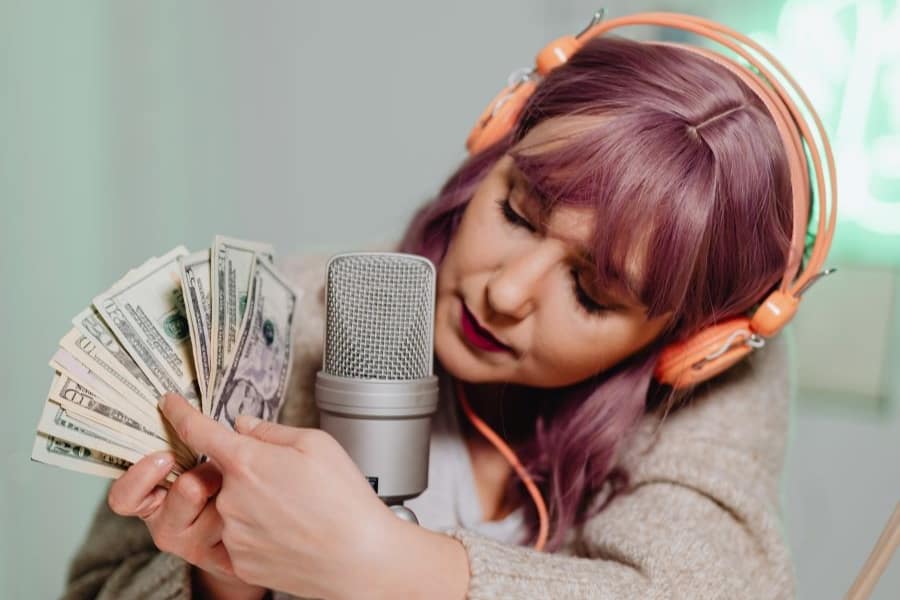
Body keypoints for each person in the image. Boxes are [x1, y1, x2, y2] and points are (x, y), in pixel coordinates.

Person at [62, 12, 836, 600]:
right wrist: (225, 580)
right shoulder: (283, 318)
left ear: (690, 345)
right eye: (519, 212)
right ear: (494, 146)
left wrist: (382, 563)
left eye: (591, 293)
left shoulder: (706, 388)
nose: (505, 292)